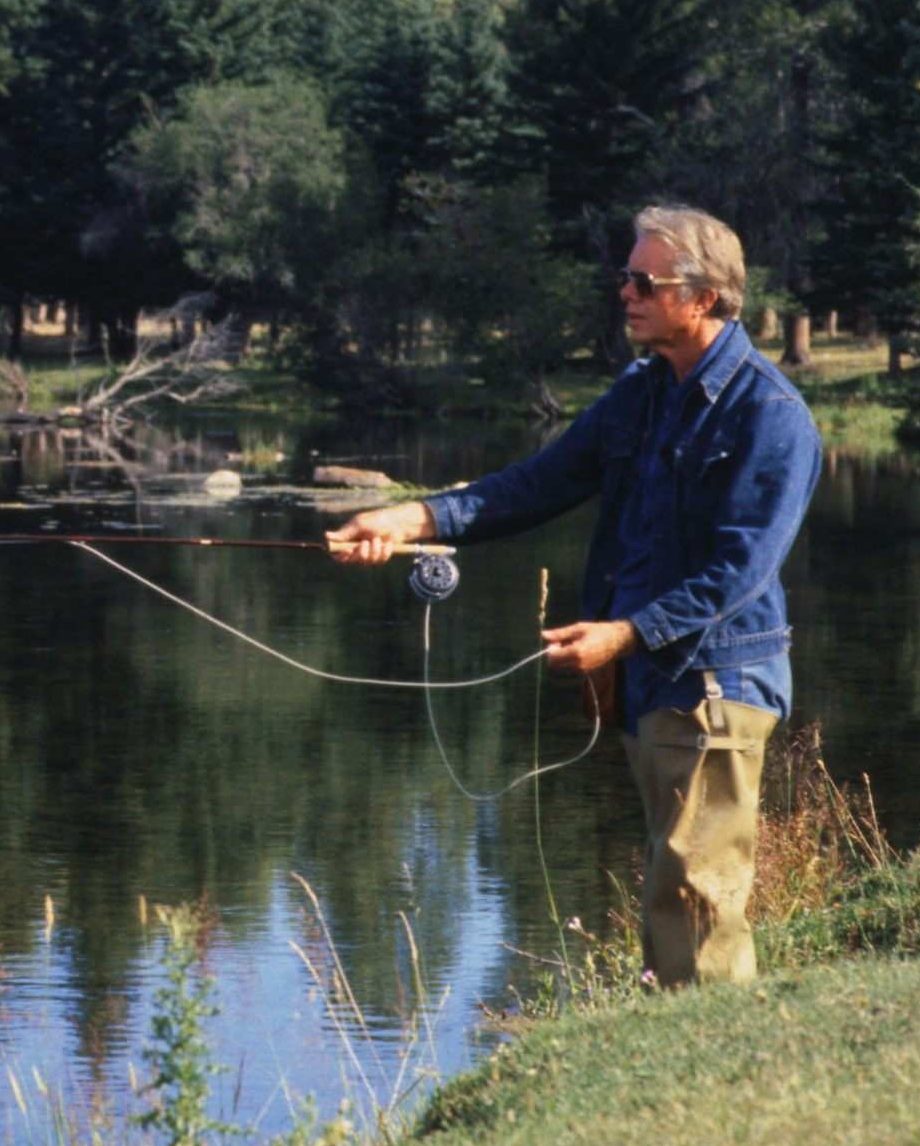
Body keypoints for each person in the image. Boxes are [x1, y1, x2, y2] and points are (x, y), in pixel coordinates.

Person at [325, 206, 822, 986]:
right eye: (625, 277)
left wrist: (624, 634)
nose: (625, 293)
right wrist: (413, 516)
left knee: (699, 890)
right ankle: (675, 1064)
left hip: (717, 686)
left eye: (644, 282)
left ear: (703, 297)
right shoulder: (645, 390)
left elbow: (738, 573)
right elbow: (540, 483)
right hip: (650, 685)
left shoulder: (772, 417)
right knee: (668, 882)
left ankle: (723, 1074)